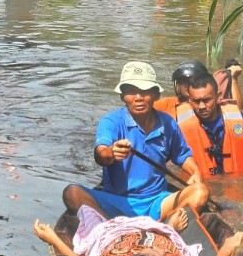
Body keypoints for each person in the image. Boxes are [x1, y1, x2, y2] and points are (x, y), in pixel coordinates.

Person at [63, 61, 209, 224]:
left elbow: (182, 155)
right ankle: (113, 228)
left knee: (200, 192)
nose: (138, 98)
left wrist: (196, 172)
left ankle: (165, 227)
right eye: (131, 91)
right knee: (72, 193)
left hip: (157, 202)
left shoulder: (167, 123)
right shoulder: (111, 121)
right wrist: (112, 152)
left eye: (145, 91)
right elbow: (101, 154)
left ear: (156, 95)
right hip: (117, 202)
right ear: (122, 96)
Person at [33, 205, 243, 256]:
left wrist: (53, 238)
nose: (153, 248)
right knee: (85, 210)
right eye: (155, 251)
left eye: (151, 250)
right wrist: (229, 246)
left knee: (86, 211)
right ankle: (168, 227)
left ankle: (166, 226)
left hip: (115, 233)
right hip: (141, 230)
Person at [179, 73, 243, 176]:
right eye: (196, 101)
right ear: (189, 100)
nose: (202, 106)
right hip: (201, 186)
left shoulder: (240, 119)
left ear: (218, 97)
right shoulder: (179, 125)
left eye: (207, 100)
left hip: (239, 183)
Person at [153, 60, 243, 119]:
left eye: (193, 80)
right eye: (184, 81)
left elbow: (237, 112)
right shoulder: (167, 105)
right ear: (177, 84)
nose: (188, 84)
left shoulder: (212, 104)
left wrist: (233, 79)